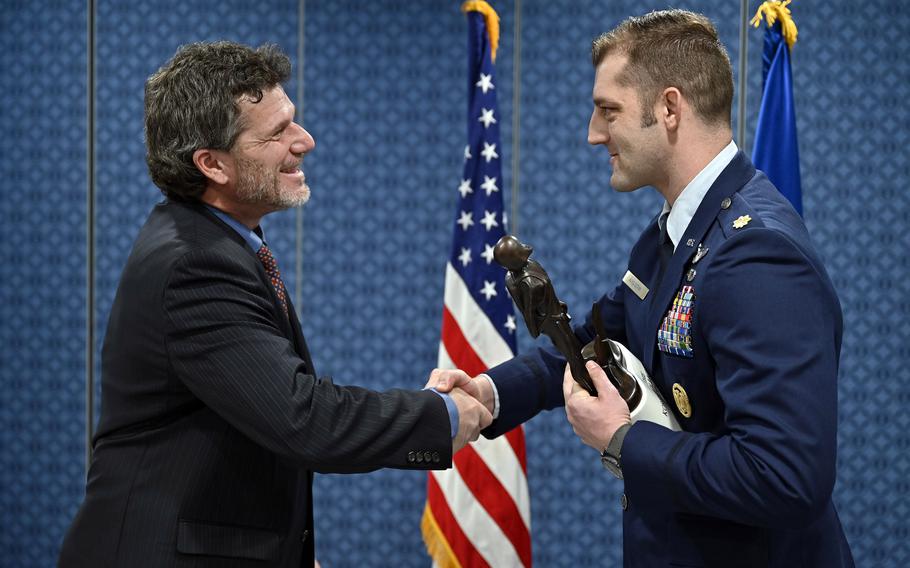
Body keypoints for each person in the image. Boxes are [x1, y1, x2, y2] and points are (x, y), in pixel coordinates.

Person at [436, 9, 854, 567]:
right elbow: (588, 341)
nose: (593, 133)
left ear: (670, 108)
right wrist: (488, 395)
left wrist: (622, 441)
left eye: (609, 110)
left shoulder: (755, 252)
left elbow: (785, 477)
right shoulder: (672, 233)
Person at [58, 41, 491, 568]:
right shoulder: (195, 265)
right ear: (211, 163)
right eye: (277, 132)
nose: (304, 141)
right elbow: (303, 419)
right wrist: (439, 415)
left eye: (295, 121)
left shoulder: (218, 242)